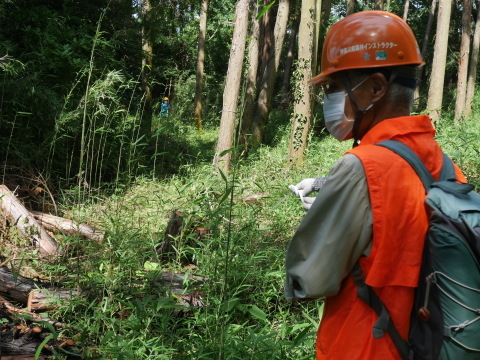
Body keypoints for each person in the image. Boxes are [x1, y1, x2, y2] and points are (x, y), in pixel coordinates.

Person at [284, 11, 467, 360]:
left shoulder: (361, 166)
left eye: (336, 88)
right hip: (430, 345)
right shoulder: (442, 163)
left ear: (376, 88)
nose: (330, 100)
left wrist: (323, 222)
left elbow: (308, 281)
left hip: (365, 348)